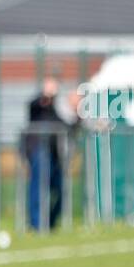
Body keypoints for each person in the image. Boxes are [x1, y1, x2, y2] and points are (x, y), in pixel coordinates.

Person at [22, 78, 77, 231]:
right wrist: (44, 94)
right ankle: (37, 225)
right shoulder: (37, 108)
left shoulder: (54, 112)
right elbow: (33, 104)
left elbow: (69, 128)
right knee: (38, 190)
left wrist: (76, 111)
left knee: (60, 191)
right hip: (38, 152)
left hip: (54, 156)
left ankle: (49, 223)